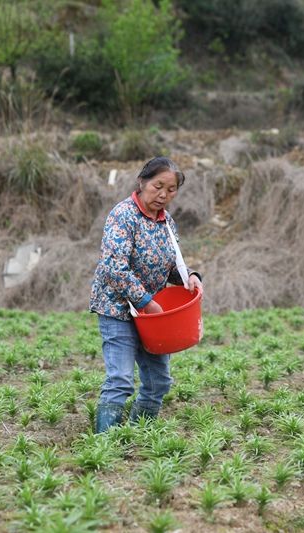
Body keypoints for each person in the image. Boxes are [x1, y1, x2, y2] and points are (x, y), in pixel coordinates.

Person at [90, 157, 203, 433]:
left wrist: (190, 276)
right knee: (120, 380)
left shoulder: (166, 222)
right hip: (118, 309)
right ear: (142, 182)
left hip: (152, 316)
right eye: (158, 186)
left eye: (171, 189)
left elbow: (170, 266)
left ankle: (139, 434)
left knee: (158, 382)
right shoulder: (123, 215)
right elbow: (114, 266)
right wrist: (145, 301)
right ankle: (103, 445)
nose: (163, 194)